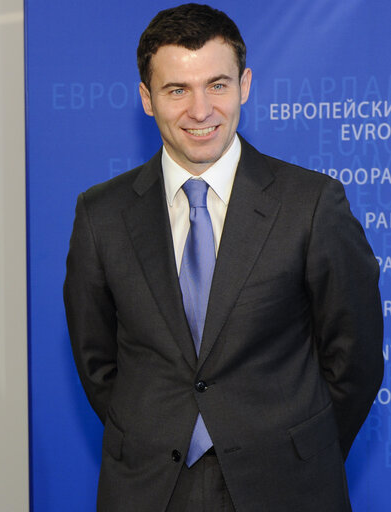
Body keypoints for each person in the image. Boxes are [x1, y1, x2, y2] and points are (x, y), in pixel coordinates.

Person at [63, 4, 383, 511]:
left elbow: (356, 360)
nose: (200, 110)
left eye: (217, 84)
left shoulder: (312, 203)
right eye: (177, 90)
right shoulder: (101, 214)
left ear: (245, 85)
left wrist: (301, 448)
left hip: (287, 486)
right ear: (147, 99)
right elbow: (97, 362)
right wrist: (154, 431)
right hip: (149, 488)